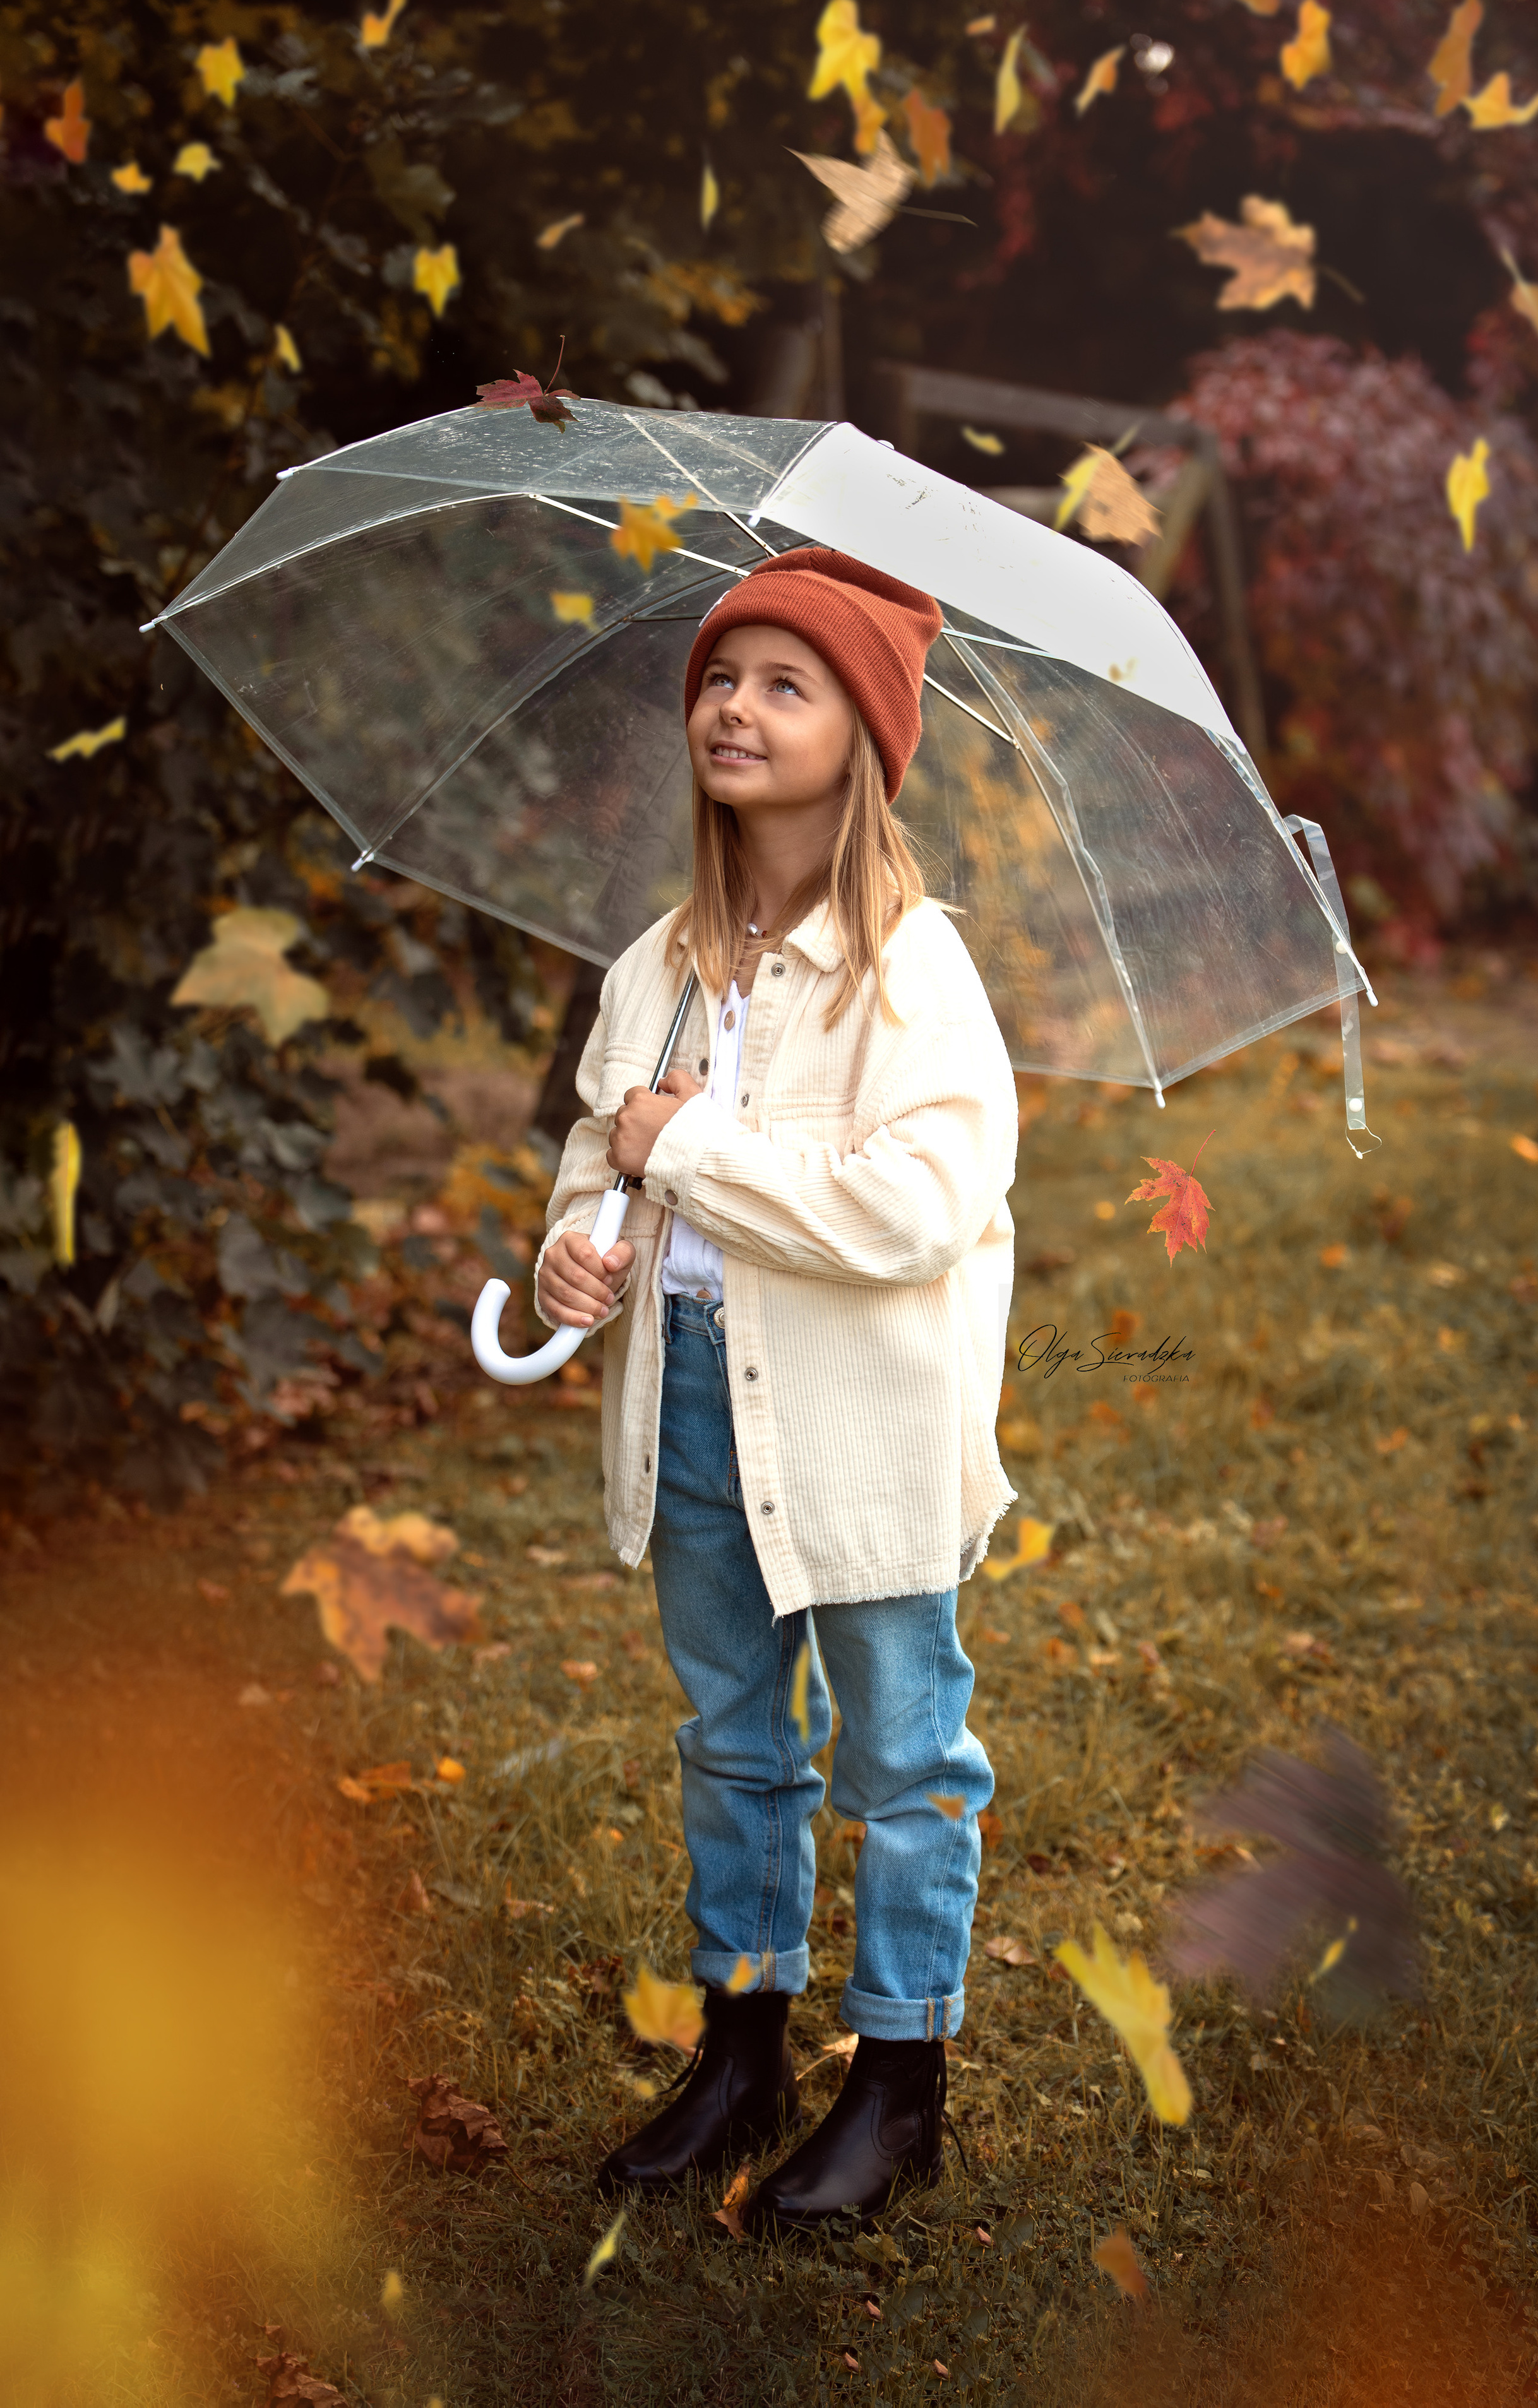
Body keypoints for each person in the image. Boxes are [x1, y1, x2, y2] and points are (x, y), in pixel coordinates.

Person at [532, 546, 1020, 2235]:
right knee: (736, 1747)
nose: (735, 706)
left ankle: (900, 2084)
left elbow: (913, 1213)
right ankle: (742, 2051)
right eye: (720, 679)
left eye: (784, 683)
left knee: (903, 1756)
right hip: (688, 1415)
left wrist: (696, 1147)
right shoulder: (655, 964)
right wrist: (577, 1254)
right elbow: (602, 1164)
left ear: (863, 739)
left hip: (864, 1436)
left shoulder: (917, 975)